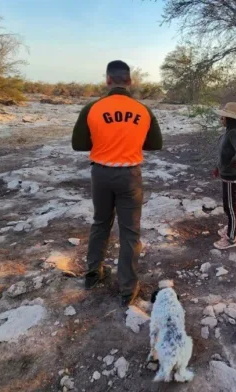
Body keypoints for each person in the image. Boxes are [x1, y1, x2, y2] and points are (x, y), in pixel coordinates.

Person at [71, 60, 162, 307]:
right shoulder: (143, 110)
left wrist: (104, 142)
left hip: (100, 175)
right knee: (130, 231)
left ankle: (92, 274)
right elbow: (156, 144)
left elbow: (78, 144)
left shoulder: (92, 108)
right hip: (130, 176)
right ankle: (127, 289)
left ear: (108, 80)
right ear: (130, 81)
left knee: (100, 222)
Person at [212, 102, 236, 250]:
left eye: (224, 116)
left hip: (232, 176)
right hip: (228, 174)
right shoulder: (232, 130)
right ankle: (233, 229)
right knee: (230, 205)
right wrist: (218, 167)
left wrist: (232, 163)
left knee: (230, 207)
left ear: (230, 118)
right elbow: (226, 153)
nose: (221, 119)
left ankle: (232, 237)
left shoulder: (234, 132)